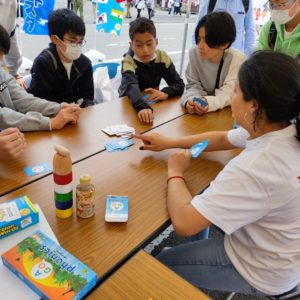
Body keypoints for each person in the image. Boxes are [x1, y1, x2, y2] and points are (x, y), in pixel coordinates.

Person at [134, 51, 300, 297]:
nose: (231, 97)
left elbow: (184, 223)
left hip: (261, 267)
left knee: (161, 264)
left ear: (253, 106)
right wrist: (170, 142)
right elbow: (223, 138)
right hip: (284, 249)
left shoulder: (255, 166)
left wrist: (175, 172)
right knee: (204, 203)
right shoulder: (280, 127)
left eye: (235, 91)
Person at [0, 24, 81, 131]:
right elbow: (3, 117)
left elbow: (23, 100)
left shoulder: (2, 73)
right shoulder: (44, 61)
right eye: (72, 41)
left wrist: (59, 108)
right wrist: (49, 123)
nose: (1, 59)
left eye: (80, 42)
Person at [118, 18, 185, 124]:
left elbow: (179, 84)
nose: (145, 50)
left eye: (149, 44)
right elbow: (132, 87)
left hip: (152, 103)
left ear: (156, 42)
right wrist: (142, 107)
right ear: (131, 45)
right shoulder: (128, 60)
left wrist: (166, 93)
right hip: (130, 104)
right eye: (139, 45)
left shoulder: (162, 56)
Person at [182, 12, 246, 115]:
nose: (200, 46)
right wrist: (190, 100)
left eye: (206, 40)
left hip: (226, 113)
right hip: (199, 114)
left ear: (225, 44)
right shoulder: (194, 53)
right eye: (199, 39)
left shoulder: (237, 59)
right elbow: (192, 85)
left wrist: (207, 103)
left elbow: (228, 94)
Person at [28, 9, 94, 108]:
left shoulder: (85, 64)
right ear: (55, 39)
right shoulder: (44, 63)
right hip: (52, 118)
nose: (77, 46)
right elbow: (41, 103)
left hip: (78, 116)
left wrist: (86, 106)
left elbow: (88, 98)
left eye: (80, 42)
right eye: (72, 41)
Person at [0, 0, 25, 89]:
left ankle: (13, 76)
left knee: (15, 57)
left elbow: (15, 58)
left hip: (9, 29)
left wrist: (15, 74)